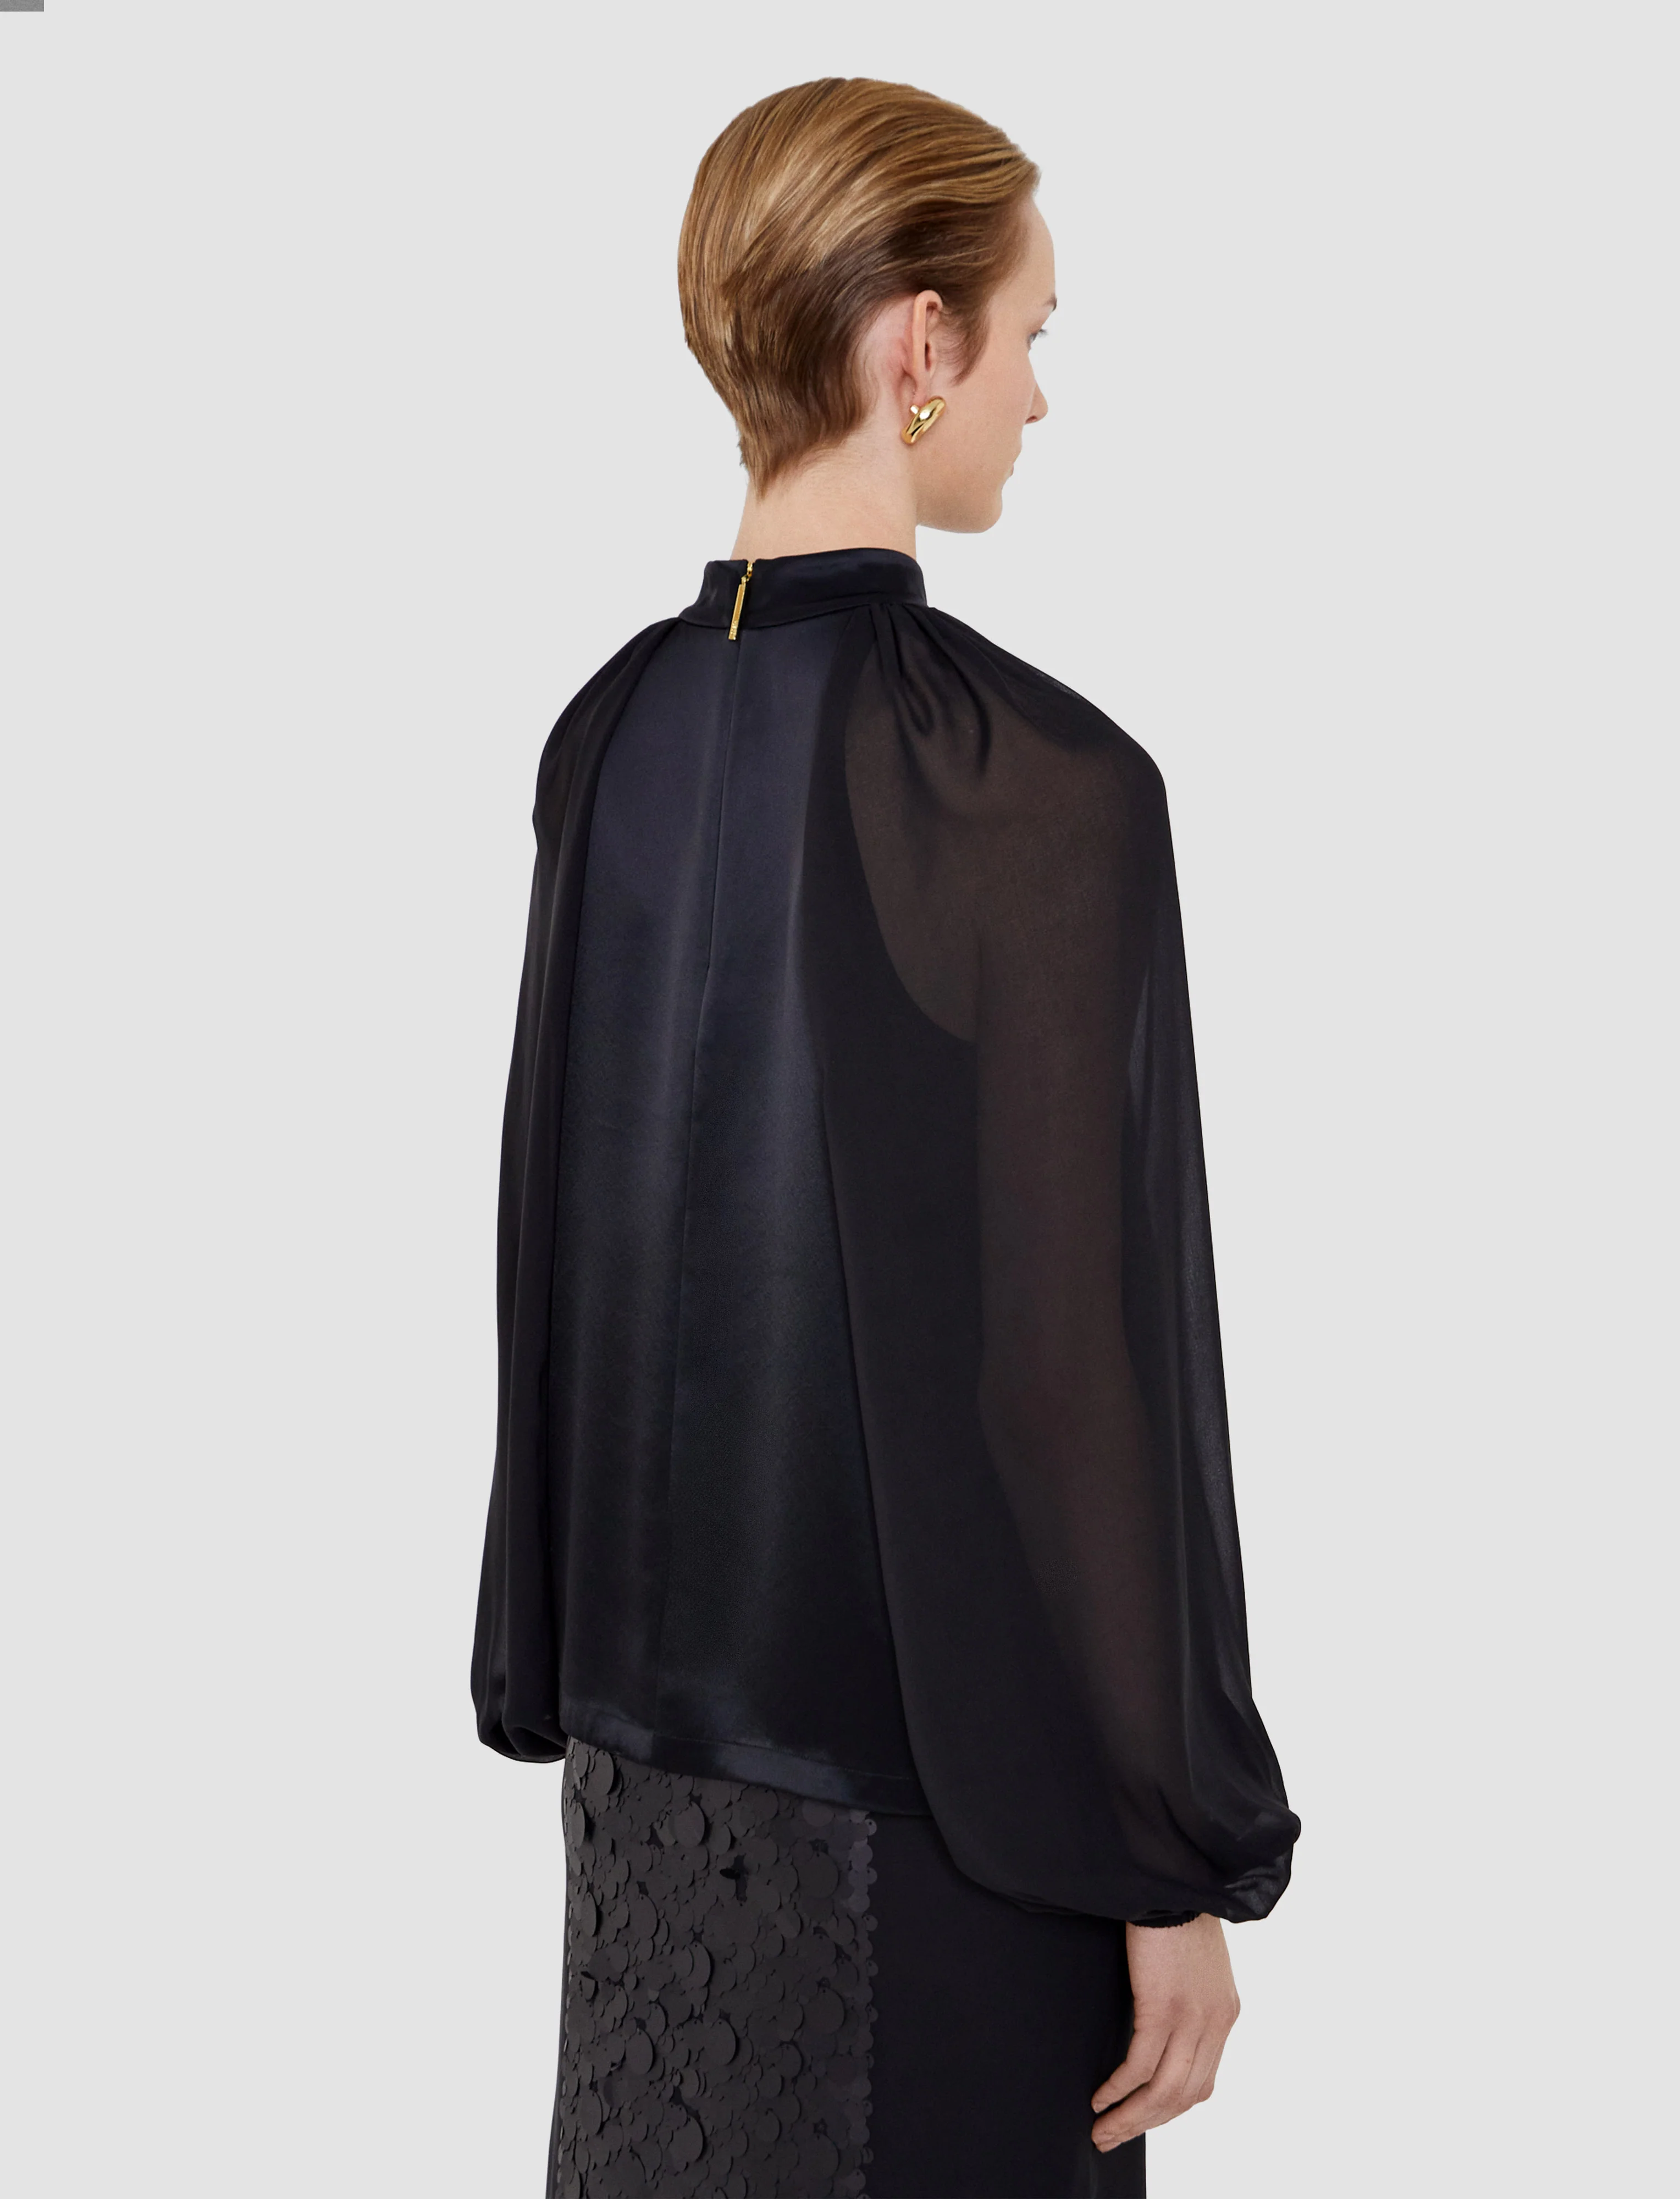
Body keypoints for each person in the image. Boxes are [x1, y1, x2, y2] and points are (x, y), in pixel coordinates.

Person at [473, 76, 1298, 2199]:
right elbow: (1081, 1381)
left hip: (653, 1802)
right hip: (952, 1832)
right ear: (918, 340)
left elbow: (560, 1258)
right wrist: (1175, 1856)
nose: (1040, 394)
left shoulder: (606, 732)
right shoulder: (1034, 784)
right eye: (1031, 333)